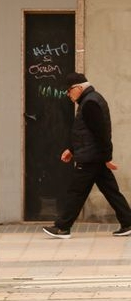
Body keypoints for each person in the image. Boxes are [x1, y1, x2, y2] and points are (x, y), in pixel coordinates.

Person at [43, 73, 131, 239]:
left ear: (78, 88)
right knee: (111, 191)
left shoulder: (90, 103)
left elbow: (101, 133)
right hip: (93, 156)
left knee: (76, 192)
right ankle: (128, 222)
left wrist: (107, 157)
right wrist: (71, 149)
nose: (68, 95)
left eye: (69, 91)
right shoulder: (90, 100)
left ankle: (62, 227)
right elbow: (85, 133)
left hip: (91, 158)